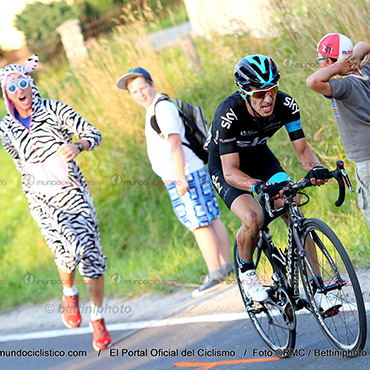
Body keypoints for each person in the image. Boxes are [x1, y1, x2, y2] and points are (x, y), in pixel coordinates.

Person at [0, 55, 111, 351]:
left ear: (31, 84)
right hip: (40, 198)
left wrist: (77, 145)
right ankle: (68, 292)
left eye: (23, 83)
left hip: (73, 192)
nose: (20, 90)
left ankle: (97, 319)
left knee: (91, 256)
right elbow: (17, 160)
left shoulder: (54, 109)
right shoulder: (5, 128)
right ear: (7, 94)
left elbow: (93, 134)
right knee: (67, 250)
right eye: (13, 87)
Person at [206, 54, 329, 302]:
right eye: (260, 93)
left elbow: (302, 150)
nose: (268, 98)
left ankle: (318, 289)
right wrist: (256, 185)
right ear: (244, 93)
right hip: (226, 165)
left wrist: (316, 169)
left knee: (292, 209)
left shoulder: (286, 105)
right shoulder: (229, 114)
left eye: (272, 89)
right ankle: (247, 271)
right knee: (253, 217)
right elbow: (230, 171)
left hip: (260, 157)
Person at [116, 67, 232, 297]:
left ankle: (216, 273)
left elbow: (175, 143)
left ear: (152, 85)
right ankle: (226, 267)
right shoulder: (155, 108)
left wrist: (180, 178)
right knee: (209, 217)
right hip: (191, 172)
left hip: (186, 174)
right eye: (134, 92)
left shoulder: (162, 108)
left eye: (142, 88)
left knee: (199, 224)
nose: (140, 94)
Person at [306, 33, 370, 229]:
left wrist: (339, 66)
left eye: (322, 61)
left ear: (334, 61)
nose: (321, 66)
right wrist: (355, 58)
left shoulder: (345, 85)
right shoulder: (365, 71)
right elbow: (364, 44)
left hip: (366, 160)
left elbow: (312, 82)